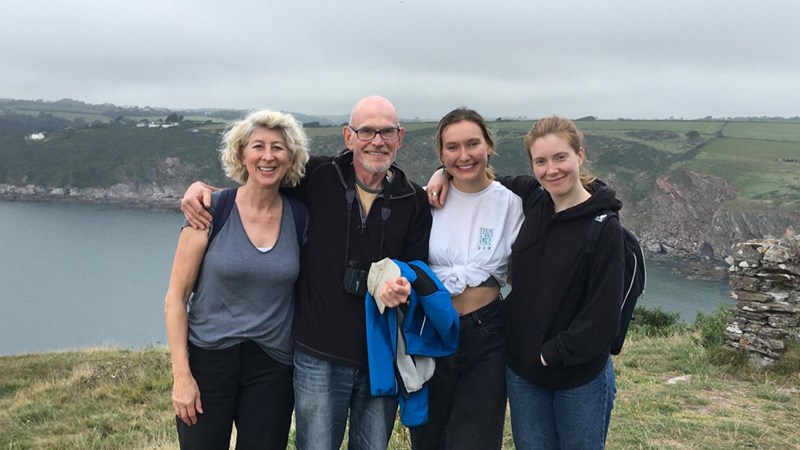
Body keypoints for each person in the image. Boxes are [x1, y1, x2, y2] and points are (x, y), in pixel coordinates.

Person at [180, 96, 432, 450]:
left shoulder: (413, 200)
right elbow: (258, 188)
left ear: (400, 137)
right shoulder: (318, 176)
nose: (377, 141)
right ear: (348, 136)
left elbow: (416, 269)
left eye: (387, 132)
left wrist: (403, 287)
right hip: (318, 354)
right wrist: (201, 190)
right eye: (366, 131)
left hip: (380, 353)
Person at [427, 116, 624, 449]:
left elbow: (604, 312)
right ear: (532, 167)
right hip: (524, 370)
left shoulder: (603, 226)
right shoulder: (533, 199)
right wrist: (442, 173)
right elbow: (473, 173)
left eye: (560, 157)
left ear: (579, 155)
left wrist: (552, 353)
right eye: (541, 161)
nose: (552, 170)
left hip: (577, 372)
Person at [164, 109, 310, 449]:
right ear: (242, 155)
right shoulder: (209, 210)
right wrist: (181, 376)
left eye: (278, 147)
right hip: (209, 358)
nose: (268, 156)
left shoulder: (300, 217)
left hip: (272, 366)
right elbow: (176, 298)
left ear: (290, 158)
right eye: (258, 146)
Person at [410, 108, 523, 450]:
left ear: (489, 145)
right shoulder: (428, 201)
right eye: (452, 147)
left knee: (476, 439)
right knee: (428, 438)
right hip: (432, 328)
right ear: (441, 154)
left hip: (487, 332)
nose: (464, 156)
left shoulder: (511, 204)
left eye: (472, 144)